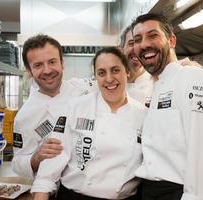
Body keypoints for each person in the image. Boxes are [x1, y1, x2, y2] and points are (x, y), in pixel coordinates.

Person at [132, 13, 203, 200]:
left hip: (177, 193)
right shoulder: (159, 85)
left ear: (171, 40)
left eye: (152, 35)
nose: (144, 44)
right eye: (138, 39)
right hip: (150, 191)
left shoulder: (191, 77)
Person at [31, 47, 147, 200]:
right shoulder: (76, 107)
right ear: (96, 77)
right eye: (101, 73)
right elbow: (52, 163)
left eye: (115, 70)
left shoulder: (144, 115)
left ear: (127, 71)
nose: (109, 78)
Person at [11, 34, 96, 178]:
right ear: (29, 70)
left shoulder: (84, 89)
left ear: (62, 63)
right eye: (38, 65)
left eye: (52, 62)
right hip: (51, 189)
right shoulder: (24, 116)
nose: (47, 70)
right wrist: (36, 158)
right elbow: (17, 162)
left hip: (94, 179)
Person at [120, 25, 153, 106]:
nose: (137, 49)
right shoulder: (111, 83)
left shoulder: (157, 84)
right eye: (131, 43)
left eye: (139, 42)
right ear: (121, 50)